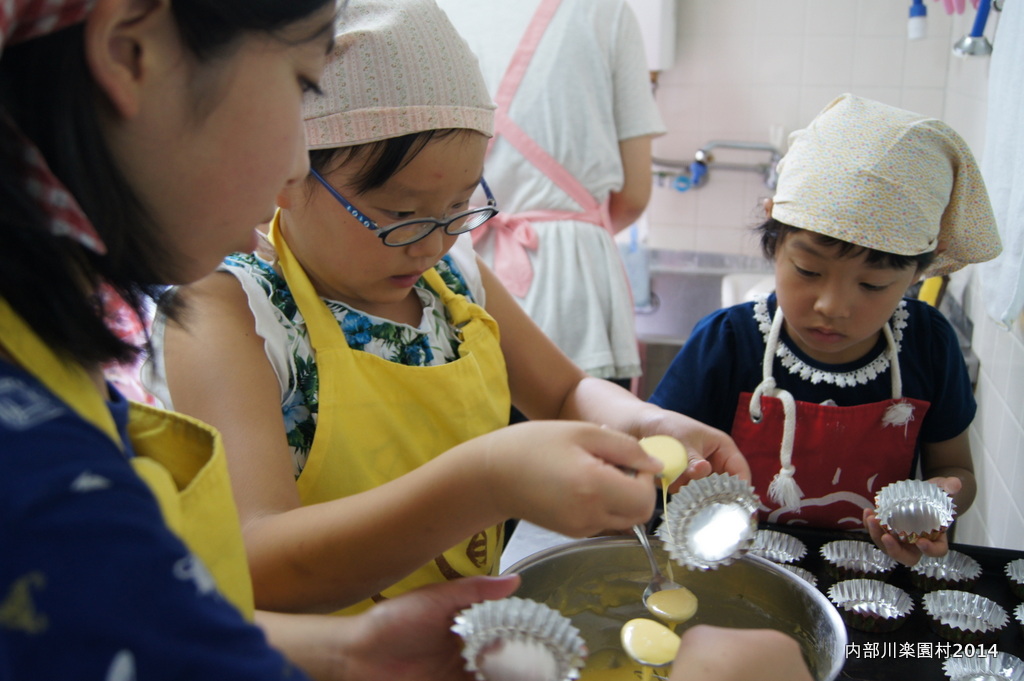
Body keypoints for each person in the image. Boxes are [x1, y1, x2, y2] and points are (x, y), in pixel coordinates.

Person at [143, 0, 746, 617]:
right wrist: (486, 481)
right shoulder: (229, 312)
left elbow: (566, 395)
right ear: (290, 173)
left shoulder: (450, 282)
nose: (434, 243)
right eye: (401, 215)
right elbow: (257, 561)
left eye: (459, 206)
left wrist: (645, 424)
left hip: (451, 645)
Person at [0, 1, 526, 679]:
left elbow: (153, 619)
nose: (296, 166)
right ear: (133, 55)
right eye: (302, 84)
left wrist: (347, 652)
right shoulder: (39, 472)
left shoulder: (43, 365)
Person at [650, 94, 1002, 566]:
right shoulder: (727, 341)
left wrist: (940, 505)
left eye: (873, 284)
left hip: (874, 584)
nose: (833, 307)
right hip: (735, 573)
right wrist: (674, 473)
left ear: (918, 273)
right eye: (809, 272)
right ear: (775, 245)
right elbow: (657, 454)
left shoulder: (928, 344)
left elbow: (956, 469)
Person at [435, 0, 665, 390]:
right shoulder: (606, 11)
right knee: (586, 442)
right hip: (577, 297)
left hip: (457, 277)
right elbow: (634, 194)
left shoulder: (434, 11)